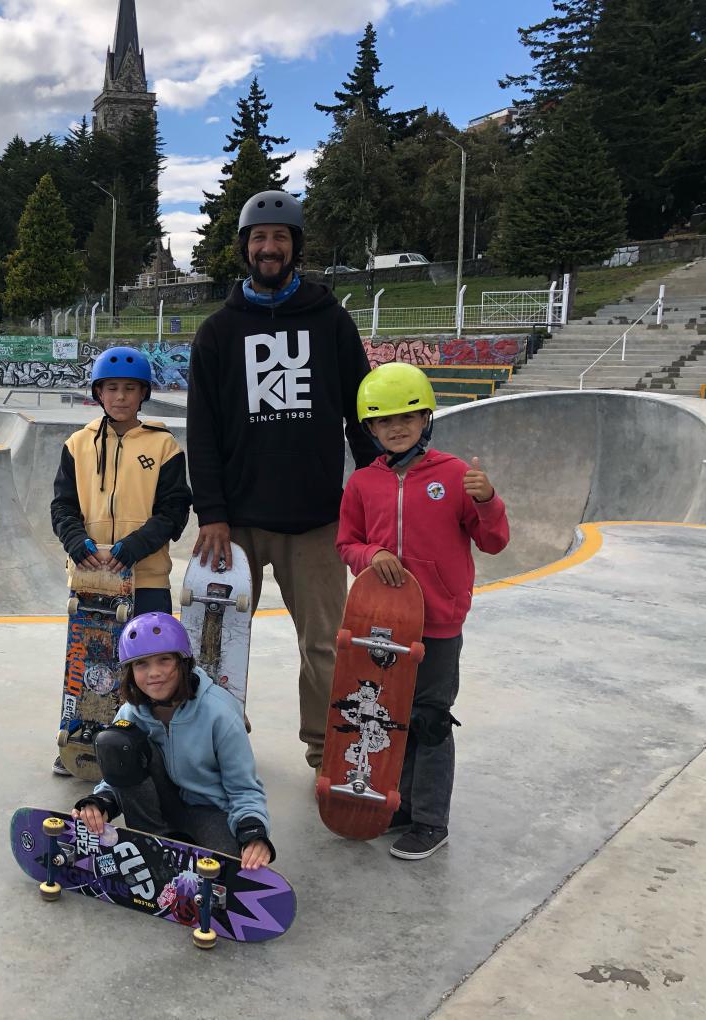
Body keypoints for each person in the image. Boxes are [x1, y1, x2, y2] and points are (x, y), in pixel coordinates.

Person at [185, 190, 376, 777]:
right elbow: (203, 429)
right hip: (235, 522)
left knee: (325, 646)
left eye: (280, 238)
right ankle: (218, 745)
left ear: (295, 246)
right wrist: (212, 511)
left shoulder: (330, 320)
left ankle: (326, 751)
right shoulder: (218, 331)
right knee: (215, 645)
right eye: (259, 239)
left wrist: (377, 492)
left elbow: (360, 412)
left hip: (316, 519)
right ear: (245, 247)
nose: (269, 248)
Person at [336, 362, 509, 860]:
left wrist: (489, 501)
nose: (396, 427)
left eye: (408, 416)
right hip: (382, 622)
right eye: (384, 420)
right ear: (369, 428)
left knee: (430, 719)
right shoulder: (363, 484)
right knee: (391, 717)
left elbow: (495, 542)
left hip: (437, 623)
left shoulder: (455, 475)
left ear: (426, 418)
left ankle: (433, 822)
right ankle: (403, 806)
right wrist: (373, 555)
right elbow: (347, 543)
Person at [50, 346, 192, 776]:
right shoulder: (77, 444)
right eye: (111, 388)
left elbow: (174, 511)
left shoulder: (163, 444)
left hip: (146, 575)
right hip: (93, 579)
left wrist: (133, 547)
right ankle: (86, 738)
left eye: (130, 389)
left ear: (143, 393)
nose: (121, 397)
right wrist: (77, 543)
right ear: (98, 392)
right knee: (95, 662)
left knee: (151, 666)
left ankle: (153, 747)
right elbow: (62, 507)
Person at [72, 613, 274, 870]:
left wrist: (254, 834)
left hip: (209, 810)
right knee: (115, 741)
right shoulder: (131, 712)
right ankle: (154, 840)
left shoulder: (220, 713)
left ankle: (171, 847)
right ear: (130, 672)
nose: (154, 673)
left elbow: (244, 789)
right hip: (158, 808)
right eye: (141, 664)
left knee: (227, 867)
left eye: (164, 660)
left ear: (183, 662)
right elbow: (120, 771)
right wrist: (100, 803)